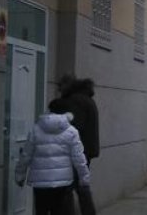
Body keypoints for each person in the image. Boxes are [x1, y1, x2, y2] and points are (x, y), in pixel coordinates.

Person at [15, 99, 92, 215]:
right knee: (60, 210)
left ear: (49, 110)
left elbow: (26, 155)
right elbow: (79, 158)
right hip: (62, 183)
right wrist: (84, 178)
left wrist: (20, 175)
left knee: (41, 210)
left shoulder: (36, 130)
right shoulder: (71, 132)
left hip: (40, 182)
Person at [53, 75, 100, 215]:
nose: (58, 89)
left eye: (59, 86)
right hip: (85, 150)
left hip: (76, 151)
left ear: (66, 86)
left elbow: (74, 127)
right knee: (81, 186)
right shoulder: (87, 99)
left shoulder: (75, 101)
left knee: (67, 187)